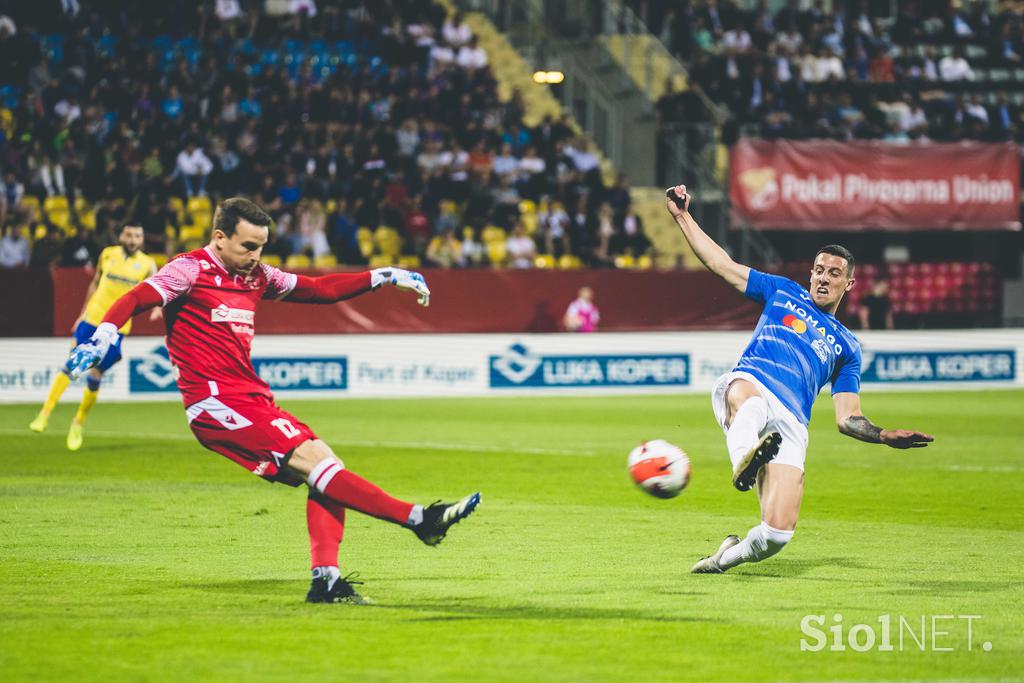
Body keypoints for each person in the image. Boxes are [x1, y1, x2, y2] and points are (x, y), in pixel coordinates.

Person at [64, 198, 481, 603]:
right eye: (248, 245)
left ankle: (327, 581)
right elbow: (137, 298)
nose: (256, 255)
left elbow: (318, 289)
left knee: (325, 466)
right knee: (320, 468)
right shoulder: (189, 270)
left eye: (262, 246)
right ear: (220, 237)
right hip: (213, 402)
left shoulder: (257, 276)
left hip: (252, 397)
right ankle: (419, 519)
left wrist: (383, 275)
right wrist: (104, 334)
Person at [661, 185, 933, 575]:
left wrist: (884, 435)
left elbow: (847, 418)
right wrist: (682, 216)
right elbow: (722, 264)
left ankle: (723, 558)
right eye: (819, 270)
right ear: (811, 273)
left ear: (849, 284)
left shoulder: (848, 347)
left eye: (834, 273)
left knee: (777, 534)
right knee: (750, 403)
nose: (823, 278)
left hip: (790, 423)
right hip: (751, 382)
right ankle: (744, 462)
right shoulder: (783, 292)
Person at [30, 224, 159, 450]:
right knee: (72, 364)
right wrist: (81, 315)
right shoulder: (107, 254)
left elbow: (158, 290)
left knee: (96, 374)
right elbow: (95, 283)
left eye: (137, 235)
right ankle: (44, 413)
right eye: (128, 235)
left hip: (117, 328)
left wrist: (158, 307)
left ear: (142, 239)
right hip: (92, 319)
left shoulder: (148, 265)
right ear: (121, 236)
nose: (132, 239)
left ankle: (78, 423)